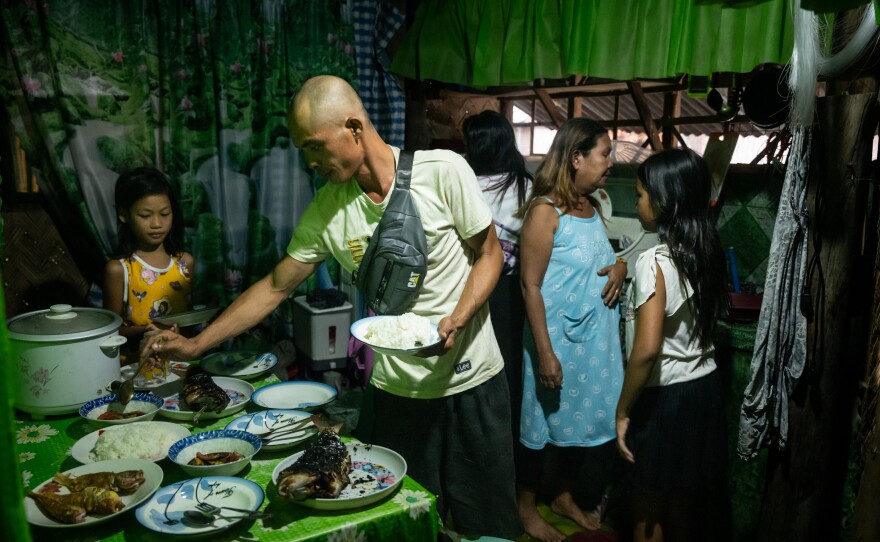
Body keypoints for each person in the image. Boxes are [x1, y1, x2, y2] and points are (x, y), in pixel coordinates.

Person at [142, 75, 522, 540]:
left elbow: (489, 254)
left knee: (487, 524)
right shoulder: (327, 209)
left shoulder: (443, 171)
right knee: (403, 525)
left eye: (315, 147)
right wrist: (197, 343)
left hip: (472, 380)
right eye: (305, 151)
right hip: (396, 392)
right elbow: (276, 286)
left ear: (354, 128)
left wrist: (457, 319)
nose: (311, 162)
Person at [516, 117, 627, 542]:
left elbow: (604, 256)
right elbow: (530, 285)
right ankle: (526, 509)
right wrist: (545, 353)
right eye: (604, 154)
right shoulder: (546, 212)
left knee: (576, 426)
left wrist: (620, 266)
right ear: (576, 157)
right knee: (539, 428)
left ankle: (562, 496)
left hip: (590, 346)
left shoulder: (591, 205)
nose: (610, 163)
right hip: (557, 342)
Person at [615, 149, 730, 542]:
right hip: (704, 390)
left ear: (664, 201)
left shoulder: (654, 261)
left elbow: (646, 350)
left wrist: (623, 409)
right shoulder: (708, 248)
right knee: (683, 502)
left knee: (648, 512)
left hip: (666, 399)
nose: (637, 203)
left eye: (640, 196)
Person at [462, 109, 532, 443]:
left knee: (472, 369)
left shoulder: (465, 185)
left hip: (470, 288)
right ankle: (507, 445)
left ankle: (476, 440)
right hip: (510, 294)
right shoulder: (525, 186)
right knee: (506, 371)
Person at [103, 166, 193, 367]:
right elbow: (110, 333)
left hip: (181, 366)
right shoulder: (120, 269)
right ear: (124, 215)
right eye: (145, 215)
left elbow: (188, 322)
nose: (157, 223)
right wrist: (147, 330)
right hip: (137, 369)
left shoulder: (184, 263)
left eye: (165, 213)